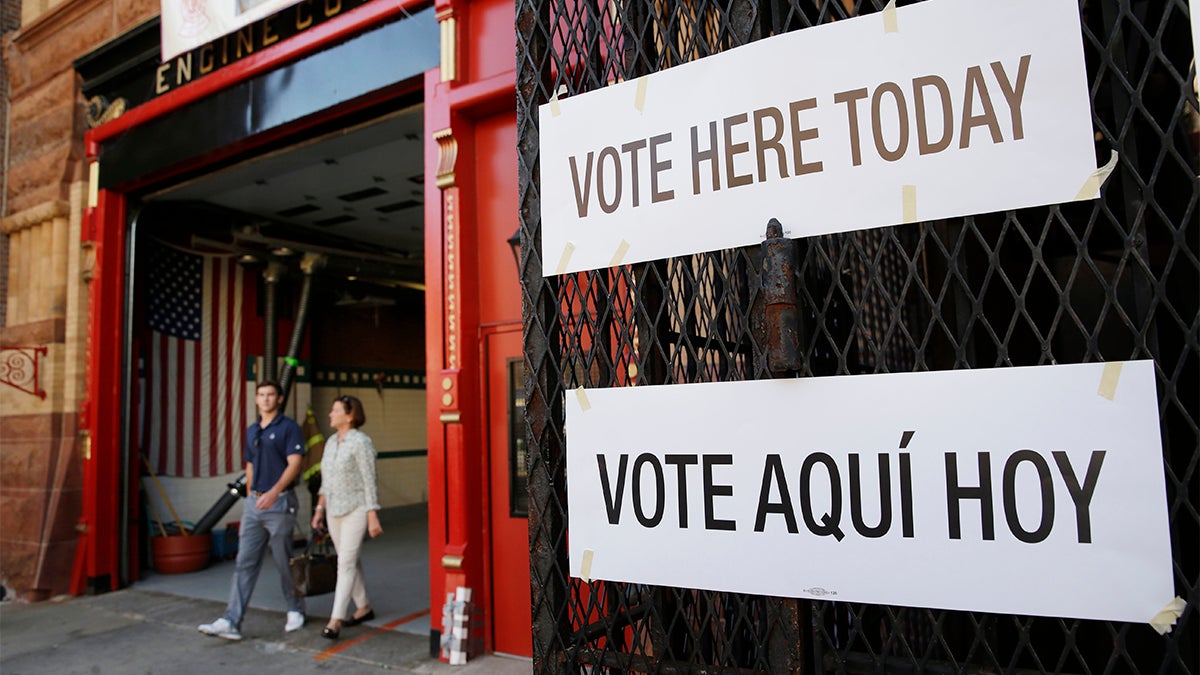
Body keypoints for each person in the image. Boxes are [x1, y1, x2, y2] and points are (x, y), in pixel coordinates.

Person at [199, 380, 306, 640]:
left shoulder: (288, 427)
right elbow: (250, 465)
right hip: (254, 505)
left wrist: (273, 491)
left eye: (271, 395)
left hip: (279, 502)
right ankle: (231, 620)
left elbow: (295, 463)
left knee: (283, 561)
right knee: (244, 562)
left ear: (279, 399)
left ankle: (295, 609)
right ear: (256, 399)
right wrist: (251, 496)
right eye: (261, 395)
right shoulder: (252, 430)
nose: (266, 399)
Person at [311, 394, 383, 639]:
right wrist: (319, 510)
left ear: (350, 415)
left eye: (335, 411)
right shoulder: (331, 442)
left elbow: (369, 480)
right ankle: (363, 607)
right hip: (333, 509)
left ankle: (335, 620)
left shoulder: (361, 442)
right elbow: (326, 481)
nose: (330, 414)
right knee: (348, 559)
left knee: (345, 564)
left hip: (356, 509)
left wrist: (372, 514)